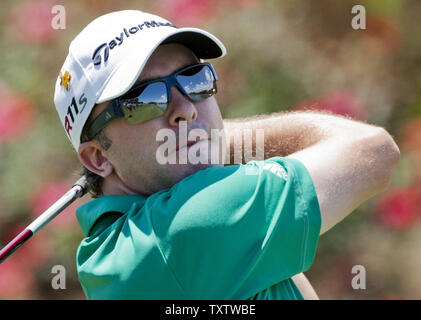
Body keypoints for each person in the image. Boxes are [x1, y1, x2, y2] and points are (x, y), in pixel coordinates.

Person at [54, 10, 400, 300]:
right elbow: (373, 151)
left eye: (195, 79)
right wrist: (211, 137)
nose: (186, 109)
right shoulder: (189, 224)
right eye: (144, 101)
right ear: (98, 158)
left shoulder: (112, 255)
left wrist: (197, 140)